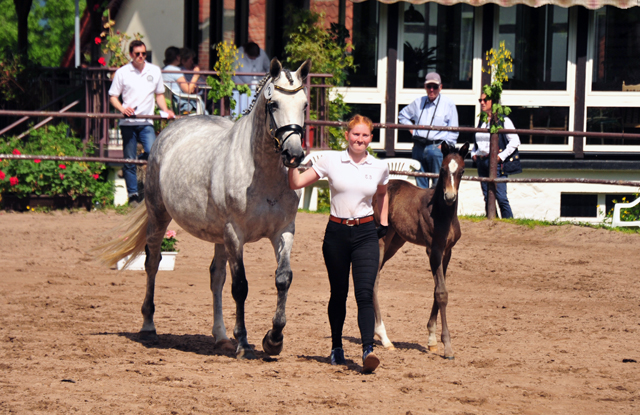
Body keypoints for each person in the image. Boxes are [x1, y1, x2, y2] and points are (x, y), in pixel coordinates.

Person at [288, 115, 389, 374]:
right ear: (347, 135)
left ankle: (368, 349)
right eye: (356, 134)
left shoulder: (379, 167)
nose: (360, 139)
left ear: (371, 138)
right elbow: (297, 183)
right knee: (339, 293)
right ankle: (336, 347)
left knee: (365, 293)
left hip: (366, 233)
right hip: (336, 234)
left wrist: (384, 223)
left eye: (365, 135)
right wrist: (291, 165)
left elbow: (382, 192)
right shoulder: (330, 160)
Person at [109, 40, 175, 207]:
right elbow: (113, 97)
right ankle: (133, 196)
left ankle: (152, 193)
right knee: (129, 160)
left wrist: (166, 110)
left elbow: (159, 94)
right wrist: (122, 109)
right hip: (128, 122)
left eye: (143, 54)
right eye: (137, 54)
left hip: (147, 121)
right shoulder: (122, 72)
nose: (140, 56)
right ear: (131, 54)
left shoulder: (154, 71)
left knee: (154, 155)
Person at [398, 72, 459, 188]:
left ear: (440, 87)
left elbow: (454, 129)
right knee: (420, 187)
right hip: (418, 147)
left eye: (435, 87)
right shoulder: (418, 102)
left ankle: (436, 207)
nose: (432, 90)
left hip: (437, 148)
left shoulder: (448, 104)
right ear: (425, 87)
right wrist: (413, 130)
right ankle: (423, 207)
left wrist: (444, 146)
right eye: (428, 86)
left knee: (439, 185)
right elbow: (402, 115)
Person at [471, 90, 521, 219]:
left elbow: (515, 141)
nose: (482, 103)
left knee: (500, 196)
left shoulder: (503, 120)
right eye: (480, 100)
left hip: (496, 162)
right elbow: (478, 141)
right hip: (482, 161)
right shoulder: (482, 121)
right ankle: (492, 222)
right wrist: (474, 153)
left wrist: (501, 156)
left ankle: (509, 223)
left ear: (493, 103)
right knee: (487, 196)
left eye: (484, 100)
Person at [231, 42, 270, 118]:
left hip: (257, 87)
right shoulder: (237, 54)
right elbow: (234, 74)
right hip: (242, 89)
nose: (254, 59)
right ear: (245, 52)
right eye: (251, 57)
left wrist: (264, 80)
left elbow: (268, 67)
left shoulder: (262, 53)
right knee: (242, 110)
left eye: (256, 57)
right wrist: (243, 86)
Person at [162, 46, 202, 114]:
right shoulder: (175, 71)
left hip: (173, 101)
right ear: (178, 57)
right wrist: (196, 75)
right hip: (182, 103)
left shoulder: (163, 69)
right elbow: (188, 90)